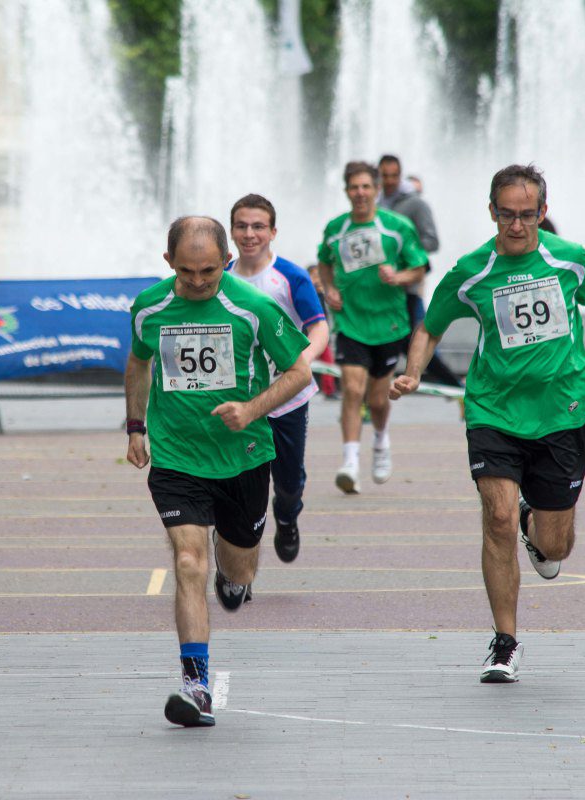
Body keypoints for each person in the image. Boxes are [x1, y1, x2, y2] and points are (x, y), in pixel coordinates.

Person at [389, 164, 585, 683]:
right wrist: (412, 373)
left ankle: (535, 524)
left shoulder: (568, 259)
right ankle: (505, 642)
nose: (517, 225)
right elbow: (429, 327)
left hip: (560, 413)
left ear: (543, 212)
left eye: (527, 215)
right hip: (493, 410)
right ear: (492, 212)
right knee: (495, 516)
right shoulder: (474, 270)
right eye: (507, 215)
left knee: (555, 546)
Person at [125, 216, 311, 727]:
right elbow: (139, 362)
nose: (200, 281)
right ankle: (195, 684)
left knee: (237, 570)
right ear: (169, 264)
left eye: (209, 270)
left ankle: (236, 580)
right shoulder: (149, 307)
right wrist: (136, 426)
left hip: (243, 458)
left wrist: (251, 410)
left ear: (227, 261)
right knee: (188, 563)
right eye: (187, 272)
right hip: (177, 457)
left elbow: (300, 372)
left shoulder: (253, 308)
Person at [226, 194, 329, 563]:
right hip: (240, 402)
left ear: (273, 231)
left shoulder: (290, 276)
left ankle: (287, 518)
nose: (249, 234)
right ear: (232, 230)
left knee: (287, 484)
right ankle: (238, 564)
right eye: (241, 226)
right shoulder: (220, 278)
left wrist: (299, 363)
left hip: (287, 399)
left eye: (258, 227)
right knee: (238, 484)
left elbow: (319, 328)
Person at [317, 161, 429, 494]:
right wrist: (330, 288)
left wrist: (399, 276)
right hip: (351, 321)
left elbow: (419, 267)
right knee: (352, 389)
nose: (361, 193)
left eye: (367, 186)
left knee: (378, 401)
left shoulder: (397, 226)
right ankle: (349, 461)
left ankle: (380, 440)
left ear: (376, 190)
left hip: (389, 323)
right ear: (347, 191)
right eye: (354, 187)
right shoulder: (336, 228)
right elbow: (324, 262)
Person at [377, 155, 462, 388]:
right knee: (383, 344)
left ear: (400, 174)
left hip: (407, 286)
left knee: (417, 341)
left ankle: (457, 388)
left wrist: (402, 254)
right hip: (379, 290)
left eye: (394, 175)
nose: (389, 180)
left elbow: (432, 241)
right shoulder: (374, 204)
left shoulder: (415, 204)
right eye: (384, 175)